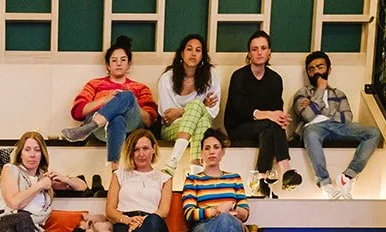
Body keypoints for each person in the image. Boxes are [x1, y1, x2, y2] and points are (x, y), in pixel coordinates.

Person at [291, 50, 382, 199]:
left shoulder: (338, 94)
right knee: (311, 134)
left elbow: (347, 118)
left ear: (329, 69)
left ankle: (347, 177)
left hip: (338, 127)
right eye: (311, 69)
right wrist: (320, 90)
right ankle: (325, 183)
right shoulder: (303, 93)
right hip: (314, 128)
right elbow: (307, 116)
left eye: (320, 67)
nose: (316, 72)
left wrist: (318, 108)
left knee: (373, 132)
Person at [62, 36, 159, 171]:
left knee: (127, 95)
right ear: (108, 65)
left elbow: (150, 119)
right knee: (117, 119)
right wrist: (105, 100)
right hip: (102, 131)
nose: (118, 63)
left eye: (123, 60)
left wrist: (131, 103)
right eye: (114, 60)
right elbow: (78, 111)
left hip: (131, 126)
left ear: (129, 65)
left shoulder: (141, 88)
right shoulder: (94, 84)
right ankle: (115, 170)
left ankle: (89, 127)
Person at [223, 30, 300, 196]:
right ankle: (286, 168)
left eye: (263, 48)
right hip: (238, 126)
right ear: (249, 53)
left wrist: (281, 118)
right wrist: (269, 115)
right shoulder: (239, 76)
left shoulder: (275, 79)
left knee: (269, 129)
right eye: (254, 49)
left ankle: (262, 179)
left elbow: (276, 109)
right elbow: (239, 109)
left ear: (269, 52)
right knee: (269, 124)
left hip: (264, 128)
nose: (259, 52)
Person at [181, 128, 250, 232]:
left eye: (216, 147)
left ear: (223, 151)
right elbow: (190, 214)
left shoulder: (235, 178)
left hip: (232, 222)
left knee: (226, 220)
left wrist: (230, 206)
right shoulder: (193, 179)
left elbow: (245, 213)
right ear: (202, 153)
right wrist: (216, 211)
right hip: (203, 228)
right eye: (207, 148)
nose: (211, 151)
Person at [157, 34, 222, 175]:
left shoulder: (212, 74)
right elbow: (168, 115)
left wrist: (181, 111)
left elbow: (212, 111)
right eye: (189, 49)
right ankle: (196, 173)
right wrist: (200, 105)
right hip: (171, 128)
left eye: (198, 50)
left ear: (202, 56)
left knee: (203, 119)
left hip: (200, 124)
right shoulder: (167, 78)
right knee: (200, 115)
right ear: (181, 53)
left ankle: (173, 162)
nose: (193, 53)